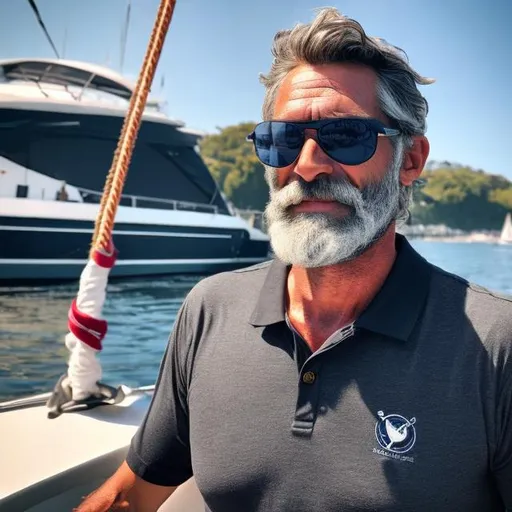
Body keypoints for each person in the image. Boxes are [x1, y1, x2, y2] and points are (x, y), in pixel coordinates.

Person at [75, 8, 512, 512]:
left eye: (345, 136)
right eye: (281, 140)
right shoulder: (209, 311)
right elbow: (132, 495)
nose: (306, 165)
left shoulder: (495, 346)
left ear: (409, 160)